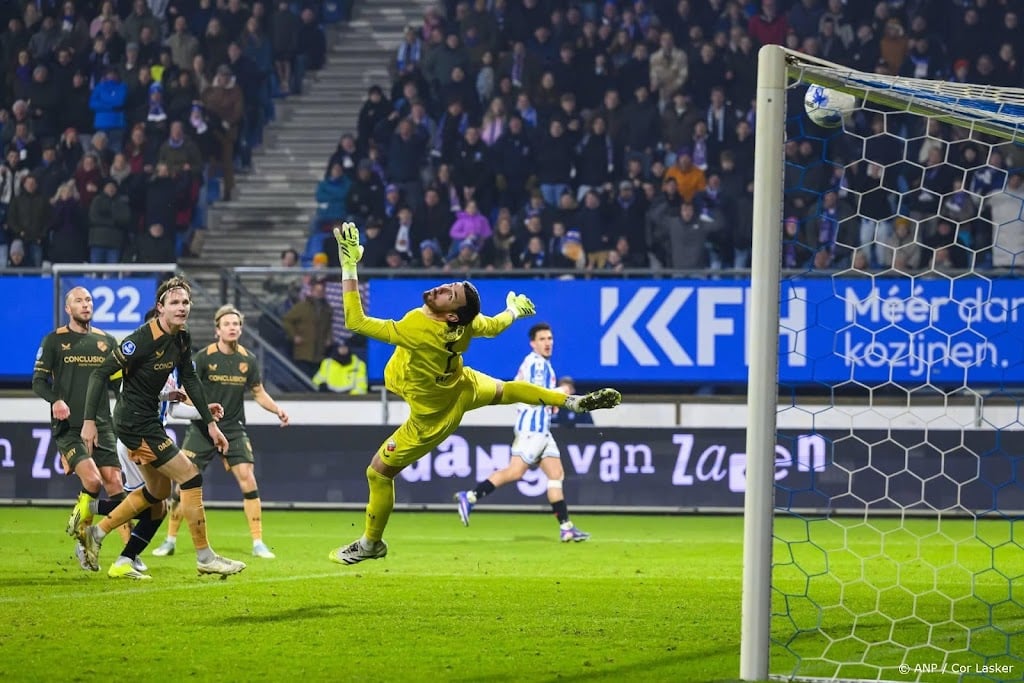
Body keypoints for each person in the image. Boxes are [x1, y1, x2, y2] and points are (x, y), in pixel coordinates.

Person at [326, 222, 622, 565]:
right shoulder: (465, 325)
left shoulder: (418, 328)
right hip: (462, 386)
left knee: (377, 473)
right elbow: (492, 326)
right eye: (449, 286)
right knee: (508, 389)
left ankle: (371, 543)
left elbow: (355, 321)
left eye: (449, 294)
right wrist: (514, 311)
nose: (442, 288)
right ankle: (571, 401)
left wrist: (349, 266)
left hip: (431, 416)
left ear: (451, 315)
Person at [79, 276, 247, 579]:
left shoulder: (182, 337)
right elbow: (99, 374)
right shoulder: (141, 339)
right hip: (134, 424)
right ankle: (205, 556)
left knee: (158, 492)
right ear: (160, 307)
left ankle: (98, 534)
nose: (182, 307)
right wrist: (89, 422)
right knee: (190, 477)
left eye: (185, 302)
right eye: (175, 302)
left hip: (149, 421)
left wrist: (211, 424)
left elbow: (190, 379)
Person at [151, 305, 290, 560]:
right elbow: (188, 392)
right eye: (227, 324)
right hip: (202, 429)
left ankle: (258, 542)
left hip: (233, 429)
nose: (232, 328)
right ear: (217, 330)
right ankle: (169, 540)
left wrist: (277, 410)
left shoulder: (248, 360)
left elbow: (258, 392)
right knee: (183, 483)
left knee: (248, 479)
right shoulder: (204, 357)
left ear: (241, 329)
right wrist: (202, 413)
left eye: (236, 324)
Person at [453, 323, 590, 541]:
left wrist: (553, 401)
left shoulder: (540, 364)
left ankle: (566, 528)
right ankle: (469, 497)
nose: (548, 343)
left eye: (550, 338)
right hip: (532, 429)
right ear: (533, 343)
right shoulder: (537, 364)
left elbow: (539, 396)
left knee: (556, 474)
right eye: (542, 339)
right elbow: (535, 395)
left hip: (541, 429)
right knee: (515, 472)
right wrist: (562, 392)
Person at [31, 286, 130, 570]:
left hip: (103, 425)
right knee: (94, 481)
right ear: (68, 308)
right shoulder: (54, 340)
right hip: (69, 426)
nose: (85, 304)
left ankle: (130, 553)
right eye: (78, 300)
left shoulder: (106, 341)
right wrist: (56, 400)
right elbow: (38, 382)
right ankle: (84, 541)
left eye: (88, 300)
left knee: (116, 486)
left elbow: (119, 386)